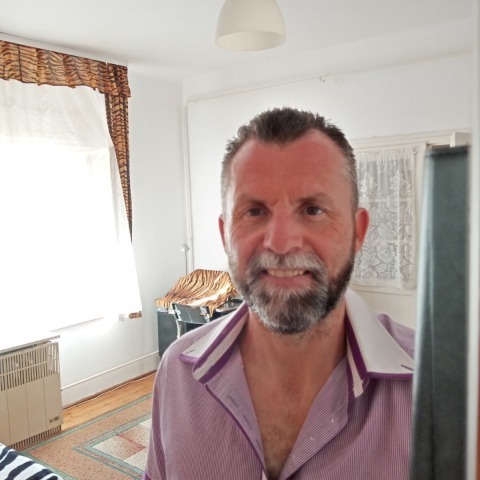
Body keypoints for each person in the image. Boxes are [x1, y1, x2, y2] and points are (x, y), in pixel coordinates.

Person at [143, 107, 414, 480]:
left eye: (313, 210)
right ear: (225, 235)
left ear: (358, 232)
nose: (281, 243)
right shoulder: (177, 373)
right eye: (254, 211)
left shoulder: (440, 386)